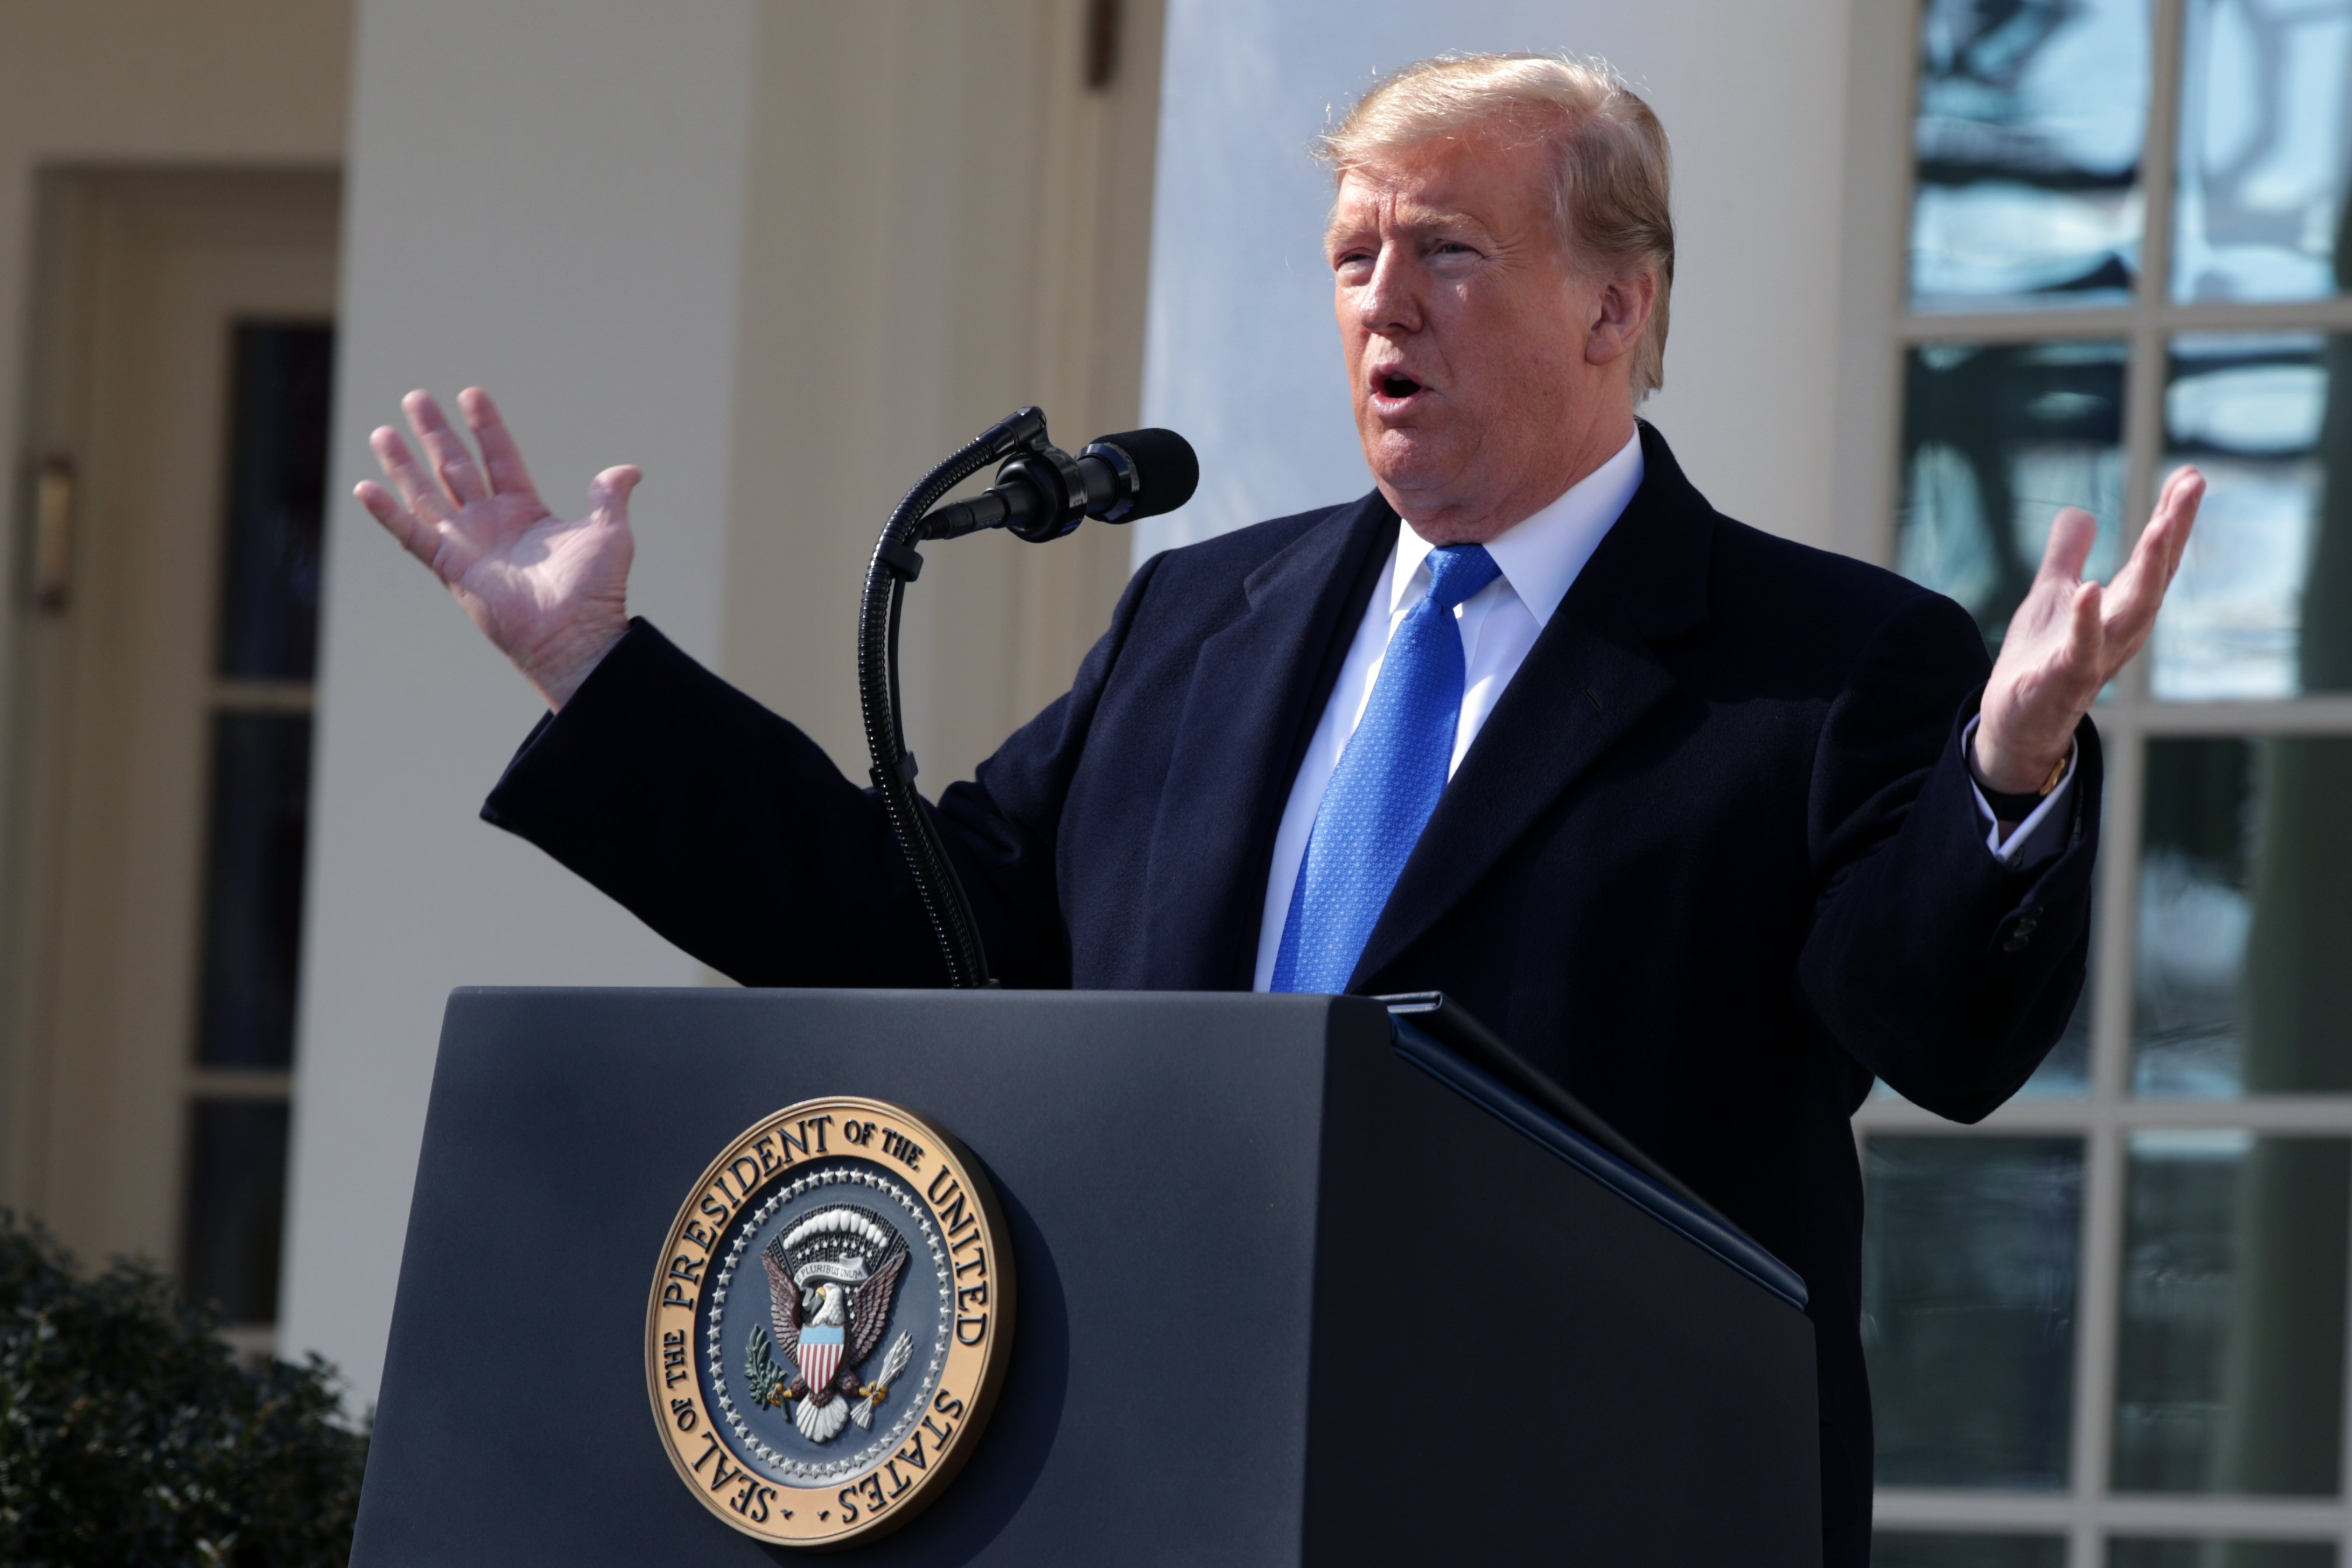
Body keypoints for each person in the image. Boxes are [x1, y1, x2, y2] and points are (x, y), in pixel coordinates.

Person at [357, 53, 2201, 1566]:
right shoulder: (1201, 616)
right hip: (1148, 1481)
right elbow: (925, 929)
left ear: (1617, 307)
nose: (1384, 303)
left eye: (1451, 253)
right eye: (1352, 258)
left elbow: (1935, 1029)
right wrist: (595, 670)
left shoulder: (1826, 659)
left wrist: (2010, 767)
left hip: (1579, 1506)